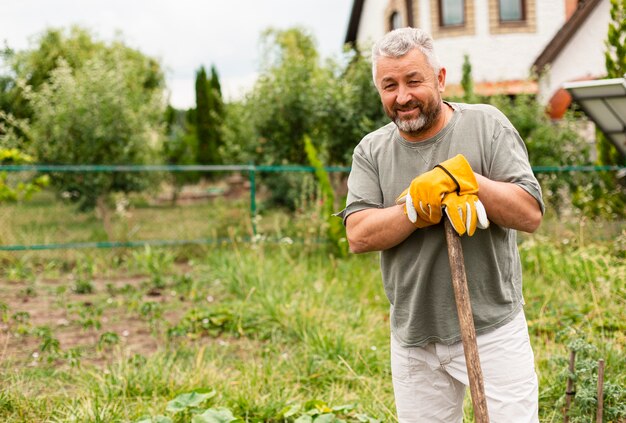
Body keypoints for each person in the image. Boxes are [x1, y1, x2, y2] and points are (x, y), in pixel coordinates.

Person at [338, 27, 544, 422]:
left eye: (414, 81)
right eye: (389, 85)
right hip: (415, 337)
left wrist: (469, 180)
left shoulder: (488, 126)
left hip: (493, 329)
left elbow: (529, 214)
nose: (403, 97)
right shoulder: (372, 150)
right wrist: (414, 209)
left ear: (440, 78)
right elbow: (358, 234)